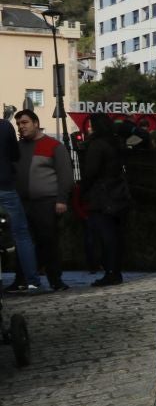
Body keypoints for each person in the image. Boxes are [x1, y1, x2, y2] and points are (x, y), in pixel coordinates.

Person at [13, 109, 73, 291]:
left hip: (46, 202)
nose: (21, 127)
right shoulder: (17, 147)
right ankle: (21, 279)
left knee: (48, 242)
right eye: (18, 124)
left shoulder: (53, 146)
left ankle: (55, 279)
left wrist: (62, 199)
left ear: (36, 123)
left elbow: (65, 175)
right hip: (22, 203)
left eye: (24, 123)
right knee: (21, 243)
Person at [81, 116, 132, 286]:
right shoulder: (116, 143)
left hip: (102, 195)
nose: (88, 129)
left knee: (106, 235)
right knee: (116, 235)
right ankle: (114, 270)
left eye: (90, 126)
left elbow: (90, 172)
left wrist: (83, 190)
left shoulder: (97, 145)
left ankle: (110, 271)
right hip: (118, 193)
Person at [0, 110, 39, 292]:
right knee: (22, 234)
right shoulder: (4, 126)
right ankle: (32, 281)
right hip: (5, 185)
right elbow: (15, 155)